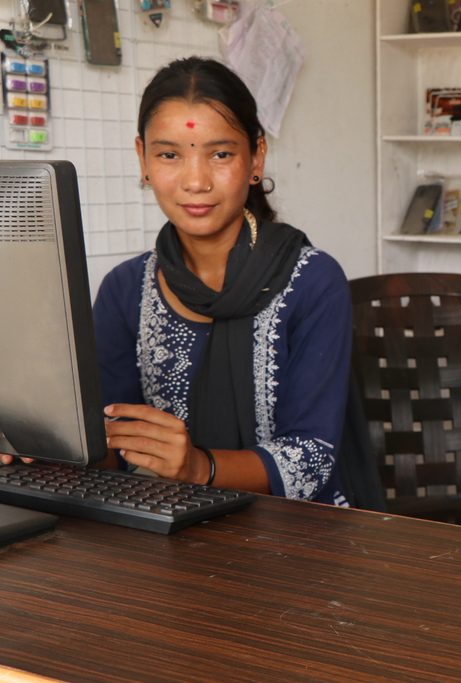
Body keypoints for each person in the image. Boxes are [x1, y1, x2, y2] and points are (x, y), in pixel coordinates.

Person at [89, 57, 351, 503]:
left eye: (221, 154)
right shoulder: (124, 290)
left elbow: (310, 459)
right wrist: (47, 448)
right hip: (160, 528)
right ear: (143, 159)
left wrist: (198, 466)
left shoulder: (313, 281)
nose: (196, 181)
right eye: (169, 154)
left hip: (298, 539)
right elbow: (111, 448)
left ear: (256, 157)